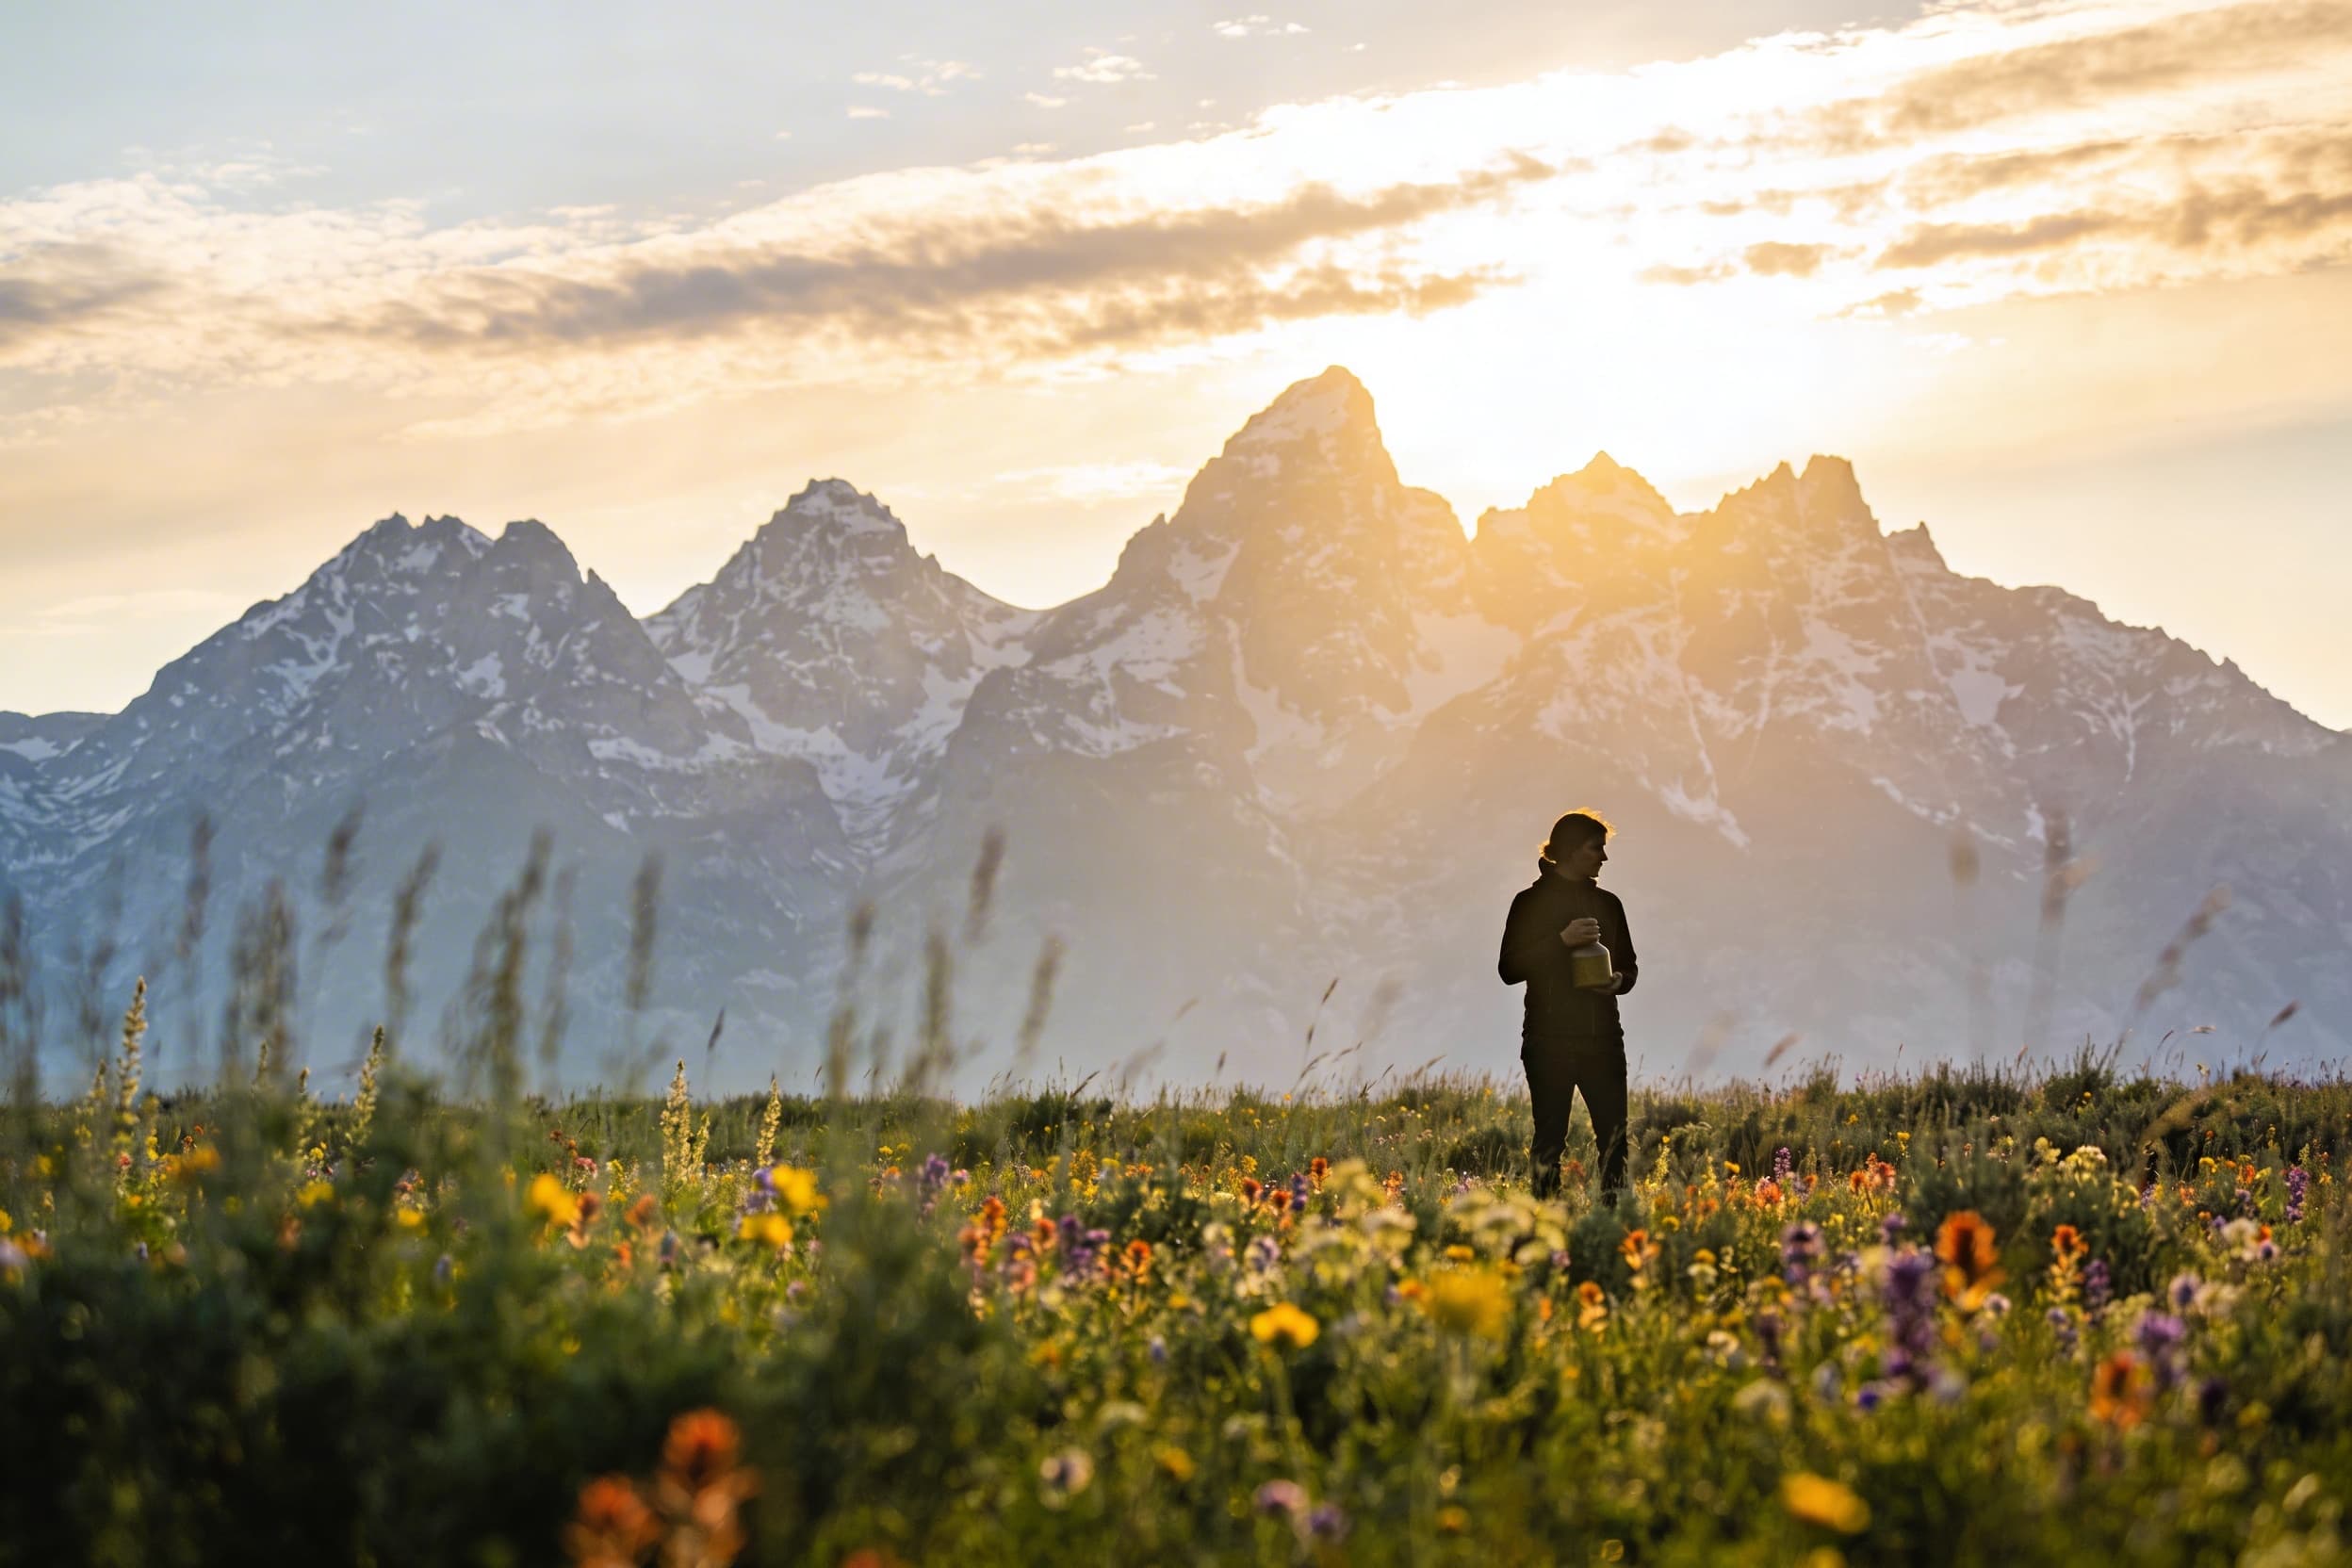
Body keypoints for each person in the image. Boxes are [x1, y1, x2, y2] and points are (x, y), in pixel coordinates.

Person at [1497, 809, 1638, 1200]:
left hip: (1604, 1039)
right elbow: (1509, 969)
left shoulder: (1609, 904)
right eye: (1597, 849)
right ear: (1573, 850)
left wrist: (1618, 982)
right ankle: (1545, 1223)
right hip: (1548, 1041)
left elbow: (1629, 966)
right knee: (1549, 1141)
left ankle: (1614, 1222)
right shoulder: (1529, 903)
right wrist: (1561, 941)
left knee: (1614, 1141)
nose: (1603, 859)